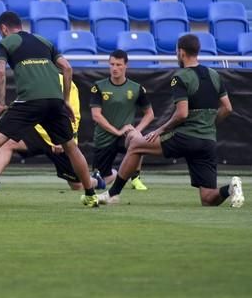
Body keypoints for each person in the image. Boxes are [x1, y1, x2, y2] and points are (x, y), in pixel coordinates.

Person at [0, 11, 99, 209]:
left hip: (30, 101)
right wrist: (65, 100)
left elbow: (0, 72)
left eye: (0, 31)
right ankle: (91, 195)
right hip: (55, 101)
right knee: (71, 147)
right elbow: (67, 68)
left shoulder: (4, 44)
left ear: (3, 28)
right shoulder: (44, 41)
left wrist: (1, 103)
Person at [98, 34, 244, 207]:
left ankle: (112, 194)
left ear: (181, 52)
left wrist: (160, 130)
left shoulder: (180, 77)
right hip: (207, 141)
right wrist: (208, 124)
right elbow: (227, 108)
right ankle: (231, 189)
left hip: (186, 137)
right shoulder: (215, 75)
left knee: (136, 145)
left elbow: (181, 114)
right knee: (208, 198)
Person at [0, 75, 105, 192]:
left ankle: (95, 181)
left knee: (77, 185)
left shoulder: (66, 83)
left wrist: (66, 140)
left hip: (58, 136)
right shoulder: (35, 80)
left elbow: (74, 114)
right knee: (9, 142)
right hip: (38, 131)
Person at [89, 49, 154, 189]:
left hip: (125, 136)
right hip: (104, 138)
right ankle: (112, 175)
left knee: (137, 139)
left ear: (126, 65)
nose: (115, 68)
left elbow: (150, 114)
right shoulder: (98, 87)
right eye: (112, 64)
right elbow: (96, 115)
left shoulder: (136, 88)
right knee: (98, 183)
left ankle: (135, 178)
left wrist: (136, 129)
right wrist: (117, 131)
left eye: (118, 65)